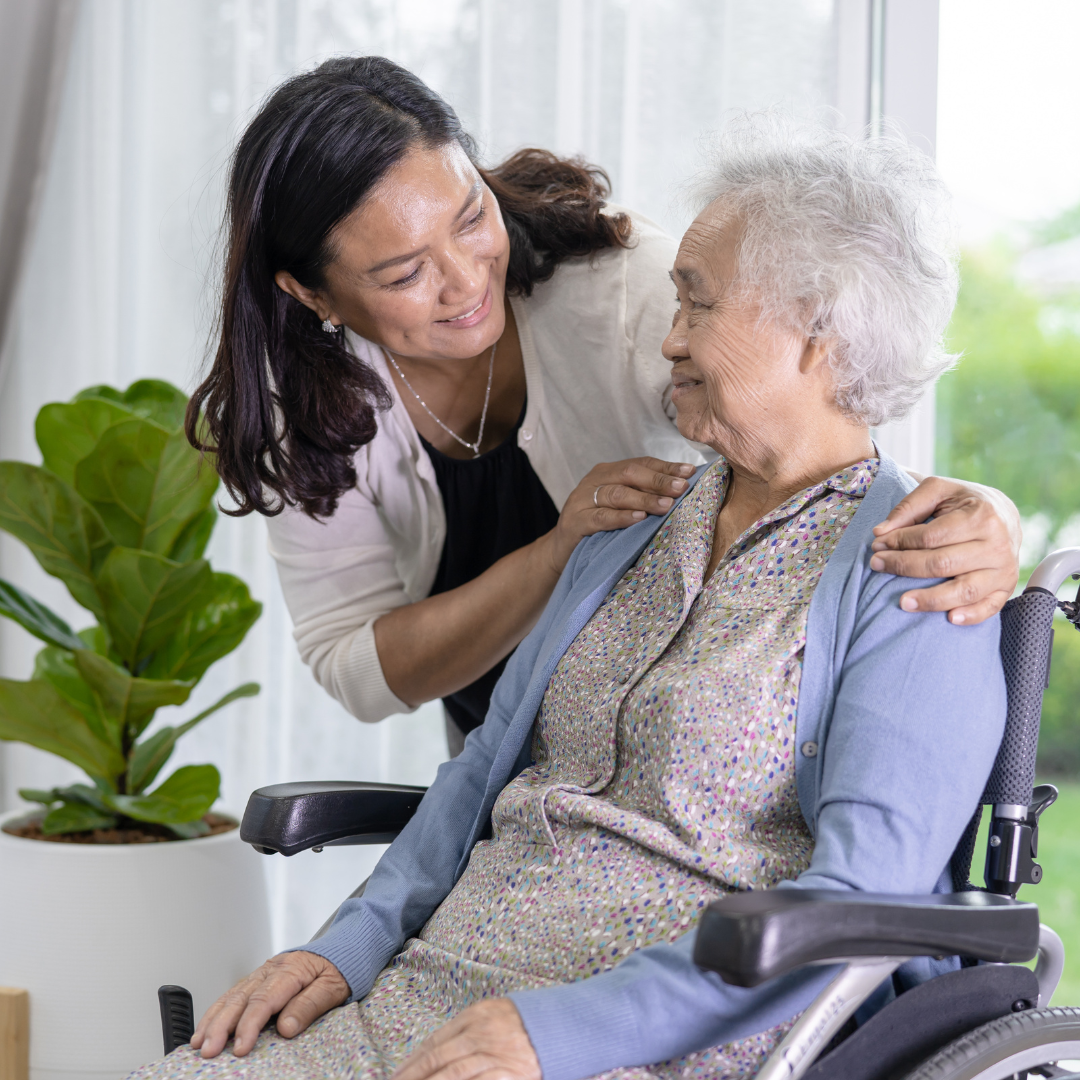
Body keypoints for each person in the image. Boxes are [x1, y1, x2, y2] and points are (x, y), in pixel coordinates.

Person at [141, 114, 1008, 1079]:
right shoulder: (629, 524)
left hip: (661, 1031)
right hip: (444, 988)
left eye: (698, 305)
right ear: (318, 295)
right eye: (676, 300)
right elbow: (478, 776)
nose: (669, 335)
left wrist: (561, 1033)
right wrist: (341, 949)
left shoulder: (916, 578)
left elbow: (861, 894)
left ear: (818, 330)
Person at [188, 56, 1020, 755]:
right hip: (517, 771)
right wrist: (557, 555)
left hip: (676, 752)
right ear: (311, 294)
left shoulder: (628, 292)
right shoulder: (302, 406)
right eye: (405, 274)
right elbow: (358, 670)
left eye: (472, 214)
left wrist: (985, 516)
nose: (467, 278)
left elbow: (831, 426)